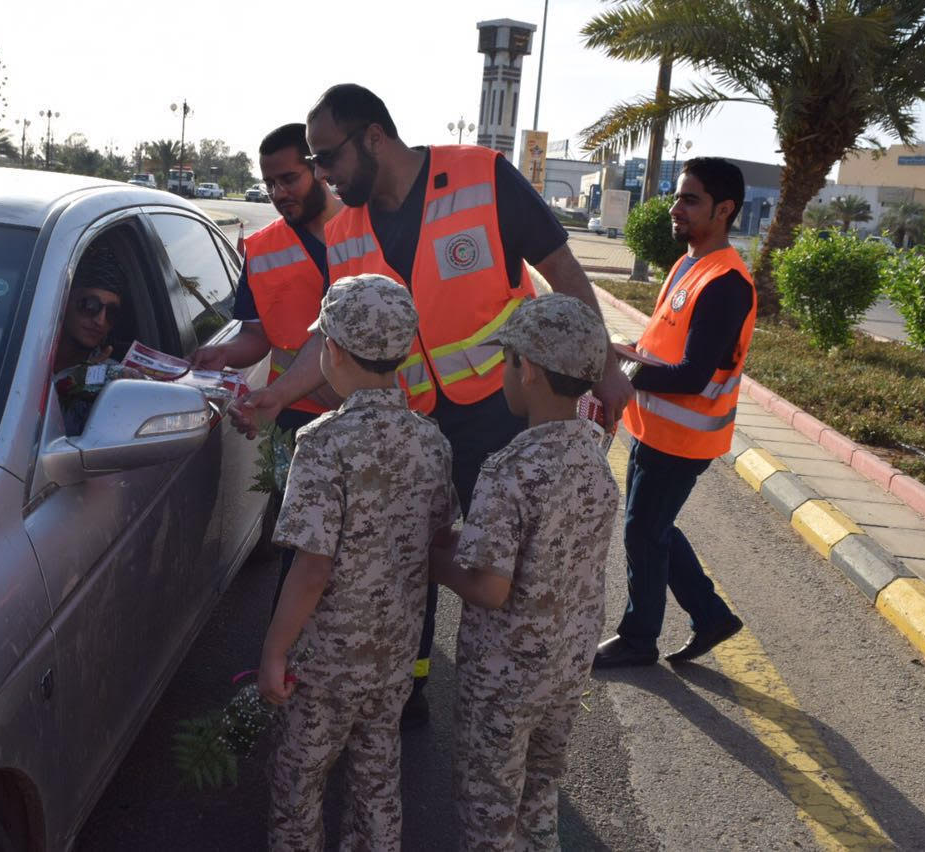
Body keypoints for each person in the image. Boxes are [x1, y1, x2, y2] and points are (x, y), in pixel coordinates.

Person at [234, 83, 634, 726]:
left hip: (504, 412)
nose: (323, 175)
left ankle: (520, 696)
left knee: (509, 561)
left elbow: (563, 270)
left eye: (327, 157)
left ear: (372, 137)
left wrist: (605, 368)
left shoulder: (481, 177)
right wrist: (275, 394)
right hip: (414, 424)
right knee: (411, 555)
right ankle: (410, 688)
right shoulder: (346, 230)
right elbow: (330, 332)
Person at [257, 274, 457, 851]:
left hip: (326, 662)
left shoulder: (323, 443)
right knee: (377, 775)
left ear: (333, 350)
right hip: (394, 654)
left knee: (299, 779)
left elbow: (312, 568)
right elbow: (437, 541)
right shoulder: (432, 441)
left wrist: (274, 651)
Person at [432, 293, 618, 851]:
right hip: (565, 666)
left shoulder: (510, 470)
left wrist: (437, 561)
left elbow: (490, 586)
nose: (503, 375)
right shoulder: (591, 450)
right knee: (540, 794)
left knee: (489, 810)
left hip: (504, 677)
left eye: (506, 361)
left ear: (528, 369)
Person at [594, 157, 756, 669]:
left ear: (724, 210)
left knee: (644, 530)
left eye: (690, 199)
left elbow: (692, 374)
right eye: (677, 196)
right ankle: (710, 616)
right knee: (652, 526)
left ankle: (640, 638)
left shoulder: (726, 281)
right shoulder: (690, 262)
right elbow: (666, 344)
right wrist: (631, 353)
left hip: (683, 439)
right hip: (655, 427)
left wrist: (622, 375)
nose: (676, 208)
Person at [192, 122, 345, 609]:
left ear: (319, 171)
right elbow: (257, 334)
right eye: (269, 184)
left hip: (375, 417)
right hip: (296, 421)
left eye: (289, 179)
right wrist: (224, 354)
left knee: (377, 550)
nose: (278, 193)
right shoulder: (260, 249)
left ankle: (404, 674)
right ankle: (291, 663)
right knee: (300, 545)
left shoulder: (372, 231)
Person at [49, 243, 129, 436]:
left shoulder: (111, 375)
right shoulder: (7, 347)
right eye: (90, 305)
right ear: (65, 301)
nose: (100, 320)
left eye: (111, 312)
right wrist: (70, 384)